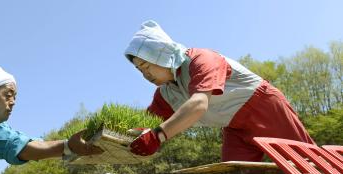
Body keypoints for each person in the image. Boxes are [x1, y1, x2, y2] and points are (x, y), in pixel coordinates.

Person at [125, 20, 314, 161]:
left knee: (303, 162)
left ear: (160, 54)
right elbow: (144, 124)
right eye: (139, 70)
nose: (145, 74)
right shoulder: (165, 94)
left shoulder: (200, 60)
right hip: (233, 126)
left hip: (264, 108)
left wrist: (158, 135)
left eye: (146, 65)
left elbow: (199, 104)